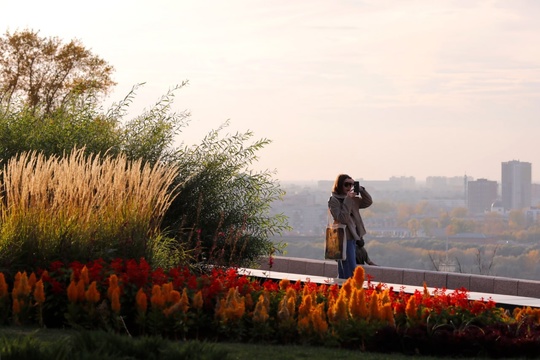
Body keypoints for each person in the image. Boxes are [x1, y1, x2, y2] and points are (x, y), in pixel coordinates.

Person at [328, 174, 376, 279]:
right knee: (349, 268)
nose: (349, 187)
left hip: (354, 237)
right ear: (339, 185)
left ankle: (341, 290)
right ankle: (349, 289)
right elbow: (342, 219)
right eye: (346, 184)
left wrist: (360, 189)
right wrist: (348, 200)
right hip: (343, 238)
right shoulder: (334, 200)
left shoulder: (353, 199)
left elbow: (368, 202)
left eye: (351, 184)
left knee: (345, 268)